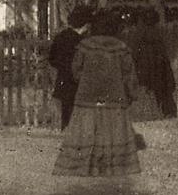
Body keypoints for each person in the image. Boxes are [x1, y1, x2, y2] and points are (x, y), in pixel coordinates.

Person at [53, 10, 141, 177]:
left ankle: (85, 165)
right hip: (114, 97)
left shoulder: (85, 46)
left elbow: (76, 71)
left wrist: (87, 82)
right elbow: (129, 74)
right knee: (111, 132)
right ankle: (110, 166)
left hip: (88, 96)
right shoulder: (121, 48)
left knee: (86, 132)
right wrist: (130, 94)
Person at [124, 7, 178, 119]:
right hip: (159, 63)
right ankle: (167, 110)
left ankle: (148, 112)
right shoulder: (160, 32)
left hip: (145, 64)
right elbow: (166, 49)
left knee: (145, 88)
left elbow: (134, 50)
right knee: (162, 88)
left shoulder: (139, 33)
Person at [48, 4, 92, 130]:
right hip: (77, 81)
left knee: (65, 109)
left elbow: (52, 59)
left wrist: (62, 67)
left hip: (62, 78)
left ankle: (65, 129)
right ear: (85, 25)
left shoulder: (60, 37)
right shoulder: (82, 42)